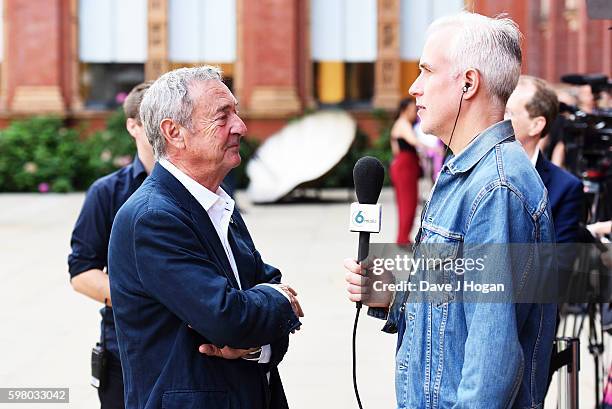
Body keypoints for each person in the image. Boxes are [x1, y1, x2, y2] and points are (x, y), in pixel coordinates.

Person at [345, 12, 556, 408]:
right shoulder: (464, 173)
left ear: (468, 83)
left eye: (426, 71)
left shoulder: (497, 188)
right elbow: (454, 307)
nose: (414, 87)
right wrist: (396, 294)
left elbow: (491, 361)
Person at [107, 66, 303, 409]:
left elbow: (261, 283)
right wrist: (280, 301)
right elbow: (228, 317)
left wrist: (256, 344)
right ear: (175, 133)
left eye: (236, 113)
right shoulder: (153, 218)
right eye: (223, 116)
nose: (240, 126)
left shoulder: (216, 200)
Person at [68, 81, 155, 409]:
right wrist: (149, 301)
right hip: (125, 348)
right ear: (132, 125)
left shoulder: (203, 188)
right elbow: (81, 273)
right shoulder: (105, 192)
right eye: (153, 118)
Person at [506, 75, 584, 244]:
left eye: (508, 112)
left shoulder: (564, 188)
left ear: (536, 125)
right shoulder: (470, 170)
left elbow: (560, 264)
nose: (498, 118)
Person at [389, 98, 422, 245]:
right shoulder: (403, 124)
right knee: (408, 203)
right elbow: (414, 141)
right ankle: (402, 238)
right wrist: (433, 148)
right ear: (404, 110)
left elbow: (395, 149)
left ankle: (403, 237)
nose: (415, 113)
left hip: (404, 165)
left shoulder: (400, 124)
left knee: (408, 202)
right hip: (405, 167)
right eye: (413, 110)